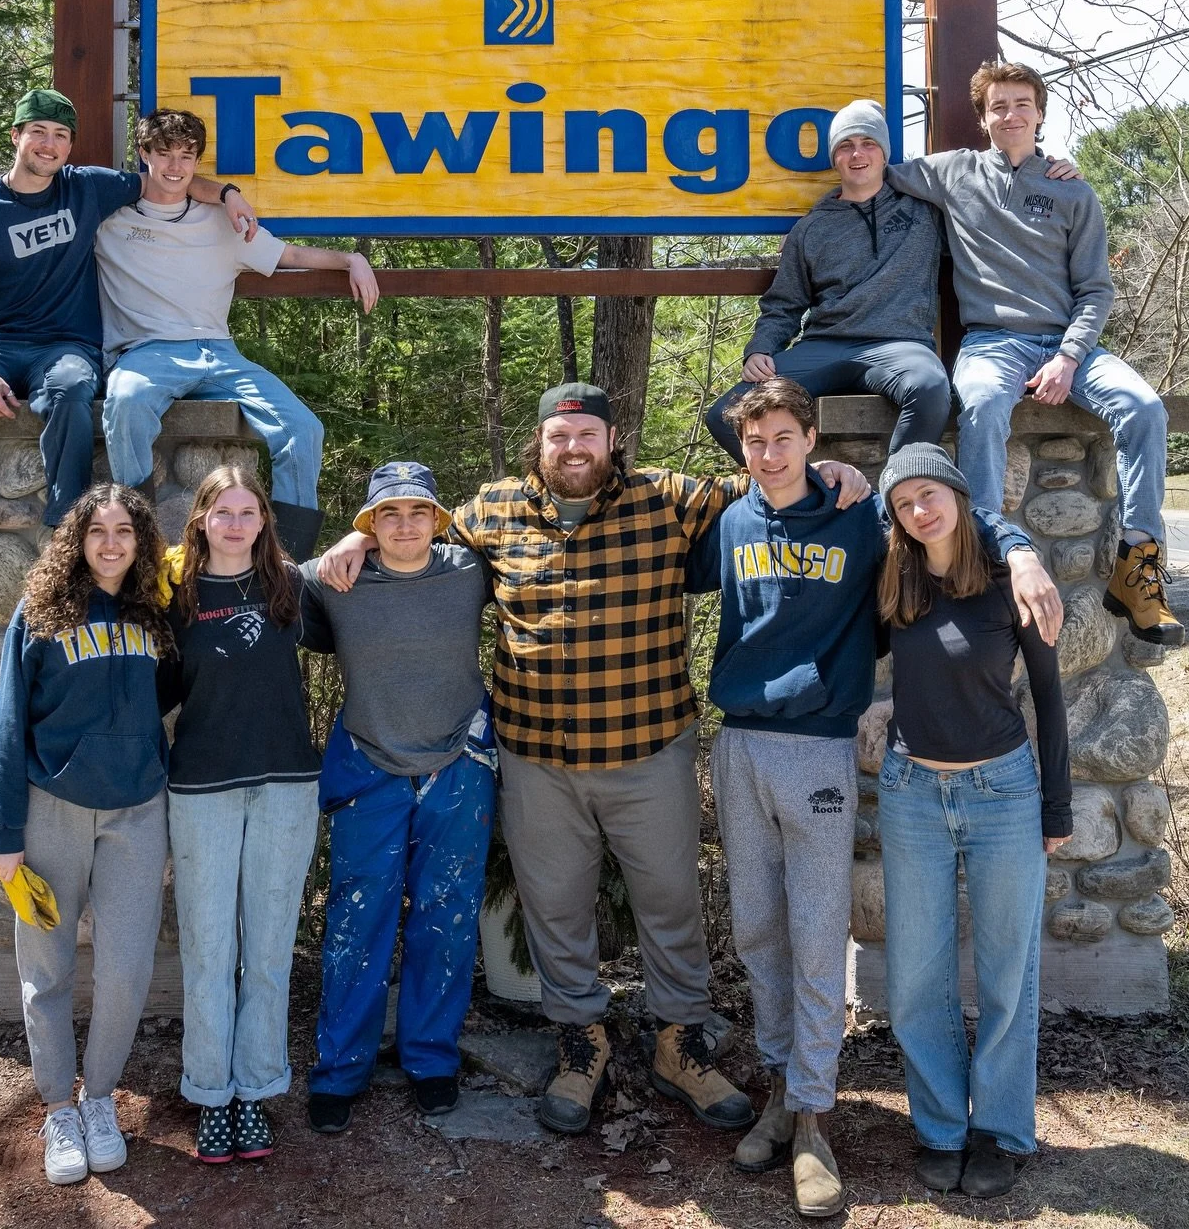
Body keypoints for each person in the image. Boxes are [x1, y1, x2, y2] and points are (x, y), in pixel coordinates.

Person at [317, 383, 876, 1140]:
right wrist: (355, 540)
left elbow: (770, 477)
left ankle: (680, 1042)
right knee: (555, 908)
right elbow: (416, 534)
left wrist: (839, 470)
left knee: (671, 900)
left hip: (649, 750)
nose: (572, 448)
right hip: (537, 757)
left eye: (586, 435)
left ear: (613, 439)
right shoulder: (494, 511)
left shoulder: (669, 499)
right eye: (557, 436)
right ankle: (581, 1041)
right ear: (538, 443)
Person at [686, 380, 1052, 1219]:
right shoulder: (731, 518)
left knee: (818, 932)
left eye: (785, 436)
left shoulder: (861, 517)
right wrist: (760, 367)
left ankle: (816, 1116)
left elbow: (950, 517)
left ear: (813, 439)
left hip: (817, 746)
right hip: (738, 741)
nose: (769, 453)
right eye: (755, 440)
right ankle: (782, 1090)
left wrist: (1023, 545)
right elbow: (714, 439)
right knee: (756, 927)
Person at [0, 89, 254, 584]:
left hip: (66, 346)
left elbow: (172, 180)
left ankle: (65, 525)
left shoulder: (88, 188)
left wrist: (230, 194)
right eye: (38, 131)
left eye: (60, 135)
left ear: (69, 146)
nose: (49, 143)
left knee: (73, 387)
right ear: (16, 136)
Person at [887, 60, 1181, 646]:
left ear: (1040, 113)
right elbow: (877, 170)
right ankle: (986, 555)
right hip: (994, 342)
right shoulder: (955, 174)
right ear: (983, 118)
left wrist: (1069, 358)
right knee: (982, 402)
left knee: (1145, 408)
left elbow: (1097, 290)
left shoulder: (1073, 189)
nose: (1011, 114)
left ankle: (1137, 569)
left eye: (1022, 104)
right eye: (999, 106)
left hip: (1071, 342)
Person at [875, 442, 1071, 1200]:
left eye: (931, 494)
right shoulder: (893, 576)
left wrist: (1057, 804)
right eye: (903, 502)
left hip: (1004, 793)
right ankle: (939, 1128)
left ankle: (998, 1128)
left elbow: (1048, 699)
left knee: (1005, 972)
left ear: (958, 495)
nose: (919, 511)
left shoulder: (1009, 583)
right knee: (917, 975)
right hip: (911, 793)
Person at [0, 483, 173, 1187]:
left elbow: (171, 693)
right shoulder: (37, 615)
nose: (112, 542)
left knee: (126, 969)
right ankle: (58, 1107)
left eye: (126, 530)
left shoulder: (155, 614)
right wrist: (5, 837)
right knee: (48, 969)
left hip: (137, 812)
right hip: (50, 808)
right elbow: (6, 726)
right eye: (98, 531)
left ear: (141, 540)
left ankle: (100, 1099)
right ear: (77, 539)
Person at [298, 461, 495, 1131]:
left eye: (418, 512)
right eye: (389, 514)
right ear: (369, 523)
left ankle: (431, 1059)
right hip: (369, 764)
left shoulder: (471, 572)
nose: (405, 525)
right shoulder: (336, 580)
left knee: (447, 915)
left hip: (459, 765)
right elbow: (263, 577)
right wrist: (338, 547)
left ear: (439, 520)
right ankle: (340, 1068)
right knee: (359, 920)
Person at [98, 109, 380, 560]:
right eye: (164, 154)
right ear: (143, 153)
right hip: (146, 351)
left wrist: (349, 260)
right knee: (126, 403)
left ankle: (288, 563)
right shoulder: (108, 219)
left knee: (302, 428)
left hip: (220, 354)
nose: (175, 166)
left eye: (186, 156)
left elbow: (285, 254)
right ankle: (140, 542)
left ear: (196, 161)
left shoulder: (222, 221)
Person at [158, 465, 320, 1164]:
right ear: (200, 520)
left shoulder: (291, 587)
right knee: (208, 947)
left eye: (247, 511)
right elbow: (153, 692)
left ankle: (256, 1087)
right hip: (203, 789)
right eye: (221, 510)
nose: (234, 522)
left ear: (263, 521)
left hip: (286, 785)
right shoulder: (175, 597)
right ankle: (210, 1094)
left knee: (269, 947)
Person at [706, 100, 951, 464]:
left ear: (884, 153)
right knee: (727, 415)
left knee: (930, 387)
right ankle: (812, 495)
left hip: (900, 344)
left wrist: (1047, 168)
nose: (857, 154)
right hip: (825, 345)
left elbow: (988, 191)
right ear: (834, 158)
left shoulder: (924, 211)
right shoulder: (811, 229)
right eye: (845, 146)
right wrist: (759, 349)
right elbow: (784, 305)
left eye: (868, 143)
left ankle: (896, 496)